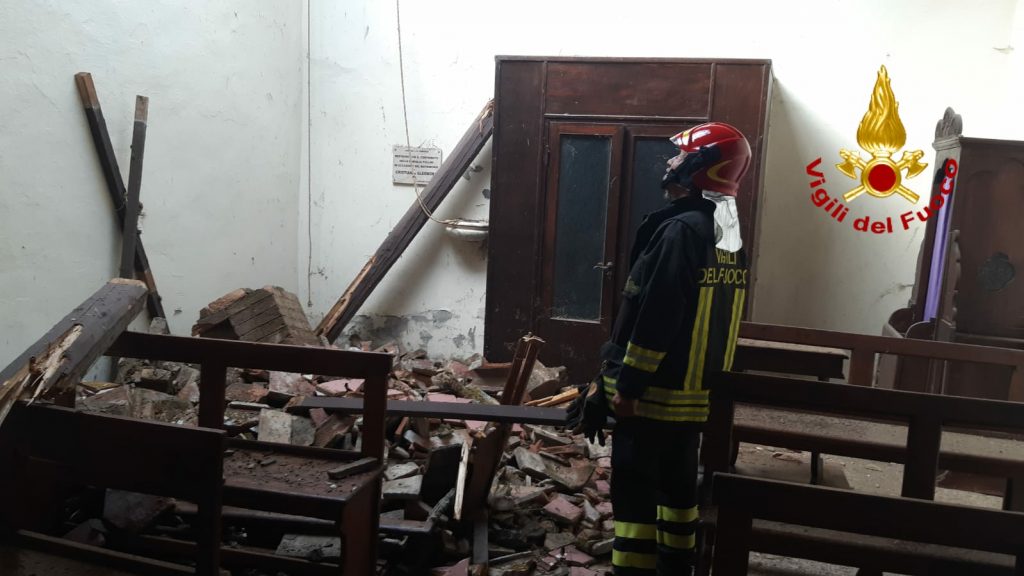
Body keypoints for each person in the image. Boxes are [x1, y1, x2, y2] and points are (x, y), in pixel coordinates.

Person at [568, 122, 752, 575]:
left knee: (634, 497)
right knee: (678, 492)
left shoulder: (680, 232)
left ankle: (632, 571)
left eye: (678, 156)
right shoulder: (727, 234)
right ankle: (677, 567)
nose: (669, 163)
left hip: (651, 399)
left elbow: (656, 315)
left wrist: (625, 386)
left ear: (700, 167)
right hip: (692, 400)